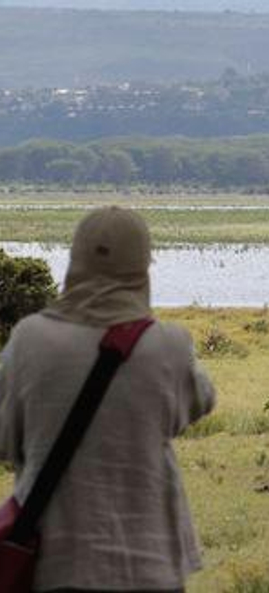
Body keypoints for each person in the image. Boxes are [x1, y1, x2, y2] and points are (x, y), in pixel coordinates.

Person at [0, 207, 216, 592]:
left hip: (56, 566)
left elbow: (7, 441)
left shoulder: (29, 339)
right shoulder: (170, 345)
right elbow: (199, 401)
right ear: (141, 269)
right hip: (151, 568)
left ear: (76, 260)